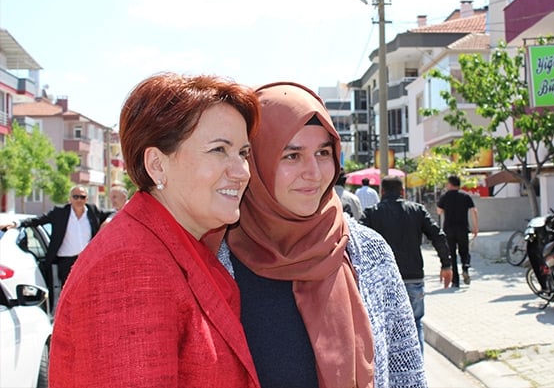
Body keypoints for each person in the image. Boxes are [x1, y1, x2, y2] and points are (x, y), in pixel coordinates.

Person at [48, 73, 262, 388]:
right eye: (219, 150)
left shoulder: (173, 247)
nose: (241, 171)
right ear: (157, 165)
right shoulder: (128, 267)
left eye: (243, 153)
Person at [217, 82, 427, 388]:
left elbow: (406, 372)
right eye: (292, 156)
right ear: (255, 161)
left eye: (323, 152)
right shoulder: (216, 258)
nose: (314, 172)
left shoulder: (368, 251)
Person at [360, 175, 452, 353]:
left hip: (383, 282)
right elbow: (438, 236)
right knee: (415, 324)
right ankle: (417, 374)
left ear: (382, 192)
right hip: (413, 278)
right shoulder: (417, 210)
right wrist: (446, 265)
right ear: (403, 192)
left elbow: (358, 242)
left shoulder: (371, 213)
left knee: (383, 329)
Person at [0, 185, 113, 304]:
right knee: (68, 291)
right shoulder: (60, 213)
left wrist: (107, 221)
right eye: (76, 197)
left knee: (87, 289)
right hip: (66, 261)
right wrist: (16, 223)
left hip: (87, 260)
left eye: (82, 197)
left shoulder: (93, 211)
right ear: (70, 198)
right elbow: (38, 220)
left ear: (86, 199)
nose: (79, 200)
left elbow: (113, 213)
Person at [436, 175, 479, 288]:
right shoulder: (465, 196)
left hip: (449, 229)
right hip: (463, 228)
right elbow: (474, 211)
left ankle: (455, 281)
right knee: (464, 251)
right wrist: (475, 227)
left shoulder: (445, 197)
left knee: (452, 254)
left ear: (450, 184)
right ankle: (465, 267)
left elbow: (439, 211)